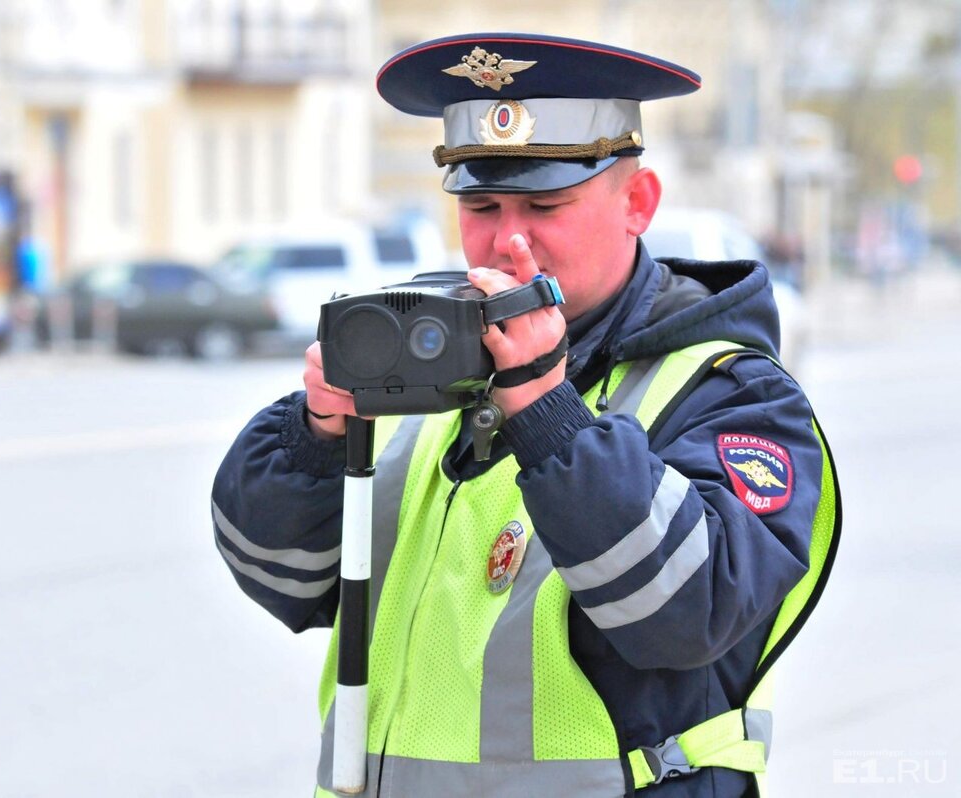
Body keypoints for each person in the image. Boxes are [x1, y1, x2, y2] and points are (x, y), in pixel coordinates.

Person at [211, 32, 840, 797]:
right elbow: (280, 578)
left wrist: (547, 409)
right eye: (479, 205)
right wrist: (315, 438)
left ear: (636, 203)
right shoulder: (429, 363)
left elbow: (688, 613)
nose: (509, 240)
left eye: (546, 204)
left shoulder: (731, 391)